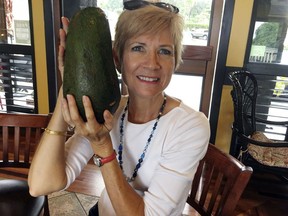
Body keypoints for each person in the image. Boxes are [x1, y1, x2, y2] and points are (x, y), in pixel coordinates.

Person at [28, 1, 210, 215]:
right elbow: (41, 185)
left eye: (164, 51)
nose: (152, 63)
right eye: (138, 48)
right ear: (117, 58)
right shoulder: (109, 110)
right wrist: (70, 81)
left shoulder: (190, 126)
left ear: (176, 60)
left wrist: (102, 145)